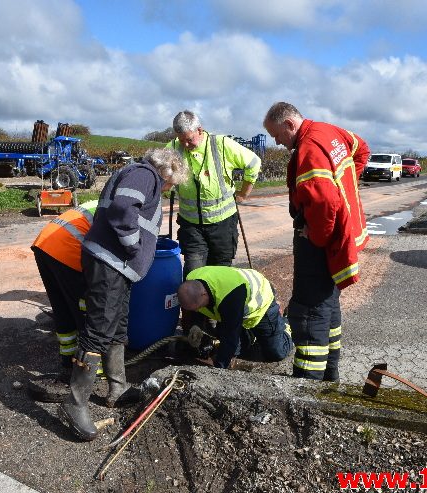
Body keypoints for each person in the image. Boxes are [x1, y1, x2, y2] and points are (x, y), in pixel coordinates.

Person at [59, 148, 188, 441]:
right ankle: (75, 402)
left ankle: (117, 387)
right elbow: (123, 209)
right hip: (110, 260)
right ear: (168, 171)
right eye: (172, 184)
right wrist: (133, 246)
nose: (169, 189)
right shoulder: (146, 174)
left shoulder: (138, 173)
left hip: (117, 265)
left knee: (117, 324)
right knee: (99, 329)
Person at [262, 102, 370, 382]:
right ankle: (330, 373)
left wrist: (316, 234)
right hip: (341, 235)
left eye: (276, 135)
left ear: (289, 124)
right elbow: (362, 149)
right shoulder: (331, 131)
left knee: (310, 311)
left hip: (320, 242)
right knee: (329, 305)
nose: (277, 142)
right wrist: (346, 185)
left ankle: (307, 382)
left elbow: (323, 201)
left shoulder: (309, 149)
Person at [166, 110, 261, 278]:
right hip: (191, 226)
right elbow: (160, 171)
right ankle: (194, 305)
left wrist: (243, 194)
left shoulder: (222, 144)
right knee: (193, 274)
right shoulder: (173, 148)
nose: (185, 145)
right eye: (181, 140)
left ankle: (218, 305)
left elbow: (254, 162)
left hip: (223, 225)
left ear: (200, 131)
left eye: (189, 140)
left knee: (220, 274)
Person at [29, 199, 99, 402]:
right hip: (67, 249)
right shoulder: (121, 207)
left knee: (62, 307)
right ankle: (93, 368)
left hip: (44, 244)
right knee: (85, 309)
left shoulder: (98, 202)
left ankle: (68, 361)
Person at [177, 265, 293, 369]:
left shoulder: (230, 296)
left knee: (276, 353)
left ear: (204, 294)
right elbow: (196, 310)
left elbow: (230, 335)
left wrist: (219, 368)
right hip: (235, 308)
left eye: (198, 307)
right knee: (236, 350)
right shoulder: (192, 282)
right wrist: (196, 325)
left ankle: (287, 322)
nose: (198, 310)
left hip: (261, 306)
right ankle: (251, 333)